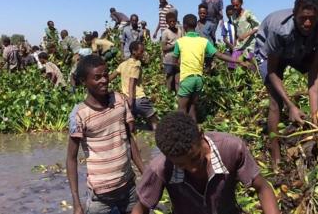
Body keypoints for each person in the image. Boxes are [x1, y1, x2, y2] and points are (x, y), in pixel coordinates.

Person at [131, 112, 280, 214]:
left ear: (201, 135)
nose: (193, 169)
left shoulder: (232, 148)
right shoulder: (160, 168)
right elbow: (141, 208)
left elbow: (262, 188)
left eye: (195, 158)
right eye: (182, 165)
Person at [255, 0, 318, 170]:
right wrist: (290, 105)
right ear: (294, 13)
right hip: (271, 55)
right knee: (276, 102)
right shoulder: (278, 29)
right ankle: (275, 153)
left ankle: (314, 119)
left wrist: (314, 112)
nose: (307, 23)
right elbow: (273, 71)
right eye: (303, 18)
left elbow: (314, 73)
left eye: (312, 19)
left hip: (299, 49)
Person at [67, 55, 144, 214]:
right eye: (97, 77)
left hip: (128, 188)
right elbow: (71, 159)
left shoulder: (119, 101)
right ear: (84, 81)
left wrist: (147, 174)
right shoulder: (79, 114)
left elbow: (130, 140)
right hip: (100, 198)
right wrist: (76, 202)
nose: (104, 80)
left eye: (105, 75)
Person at [173, 14, 249, 121]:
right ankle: (194, 133)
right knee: (192, 107)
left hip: (186, 79)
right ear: (195, 26)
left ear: (184, 26)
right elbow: (220, 55)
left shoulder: (180, 42)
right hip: (198, 80)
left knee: (181, 110)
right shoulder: (204, 41)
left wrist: (180, 71)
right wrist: (238, 61)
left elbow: (174, 62)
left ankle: (181, 135)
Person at [110, 41, 159, 130]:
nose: (142, 53)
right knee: (154, 121)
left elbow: (111, 77)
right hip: (137, 98)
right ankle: (159, 139)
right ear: (134, 51)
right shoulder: (137, 64)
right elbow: (132, 83)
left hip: (126, 98)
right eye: (141, 52)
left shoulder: (123, 64)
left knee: (132, 125)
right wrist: (131, 101)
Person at [230, 0, 260, 69]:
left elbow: (258, 27)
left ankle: (253, 79)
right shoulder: (233, 17)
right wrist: (234, 44)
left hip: (250, 44)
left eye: (237, 5)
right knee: (232, 64)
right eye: (233, 5)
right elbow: (236, 31)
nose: (235, 7)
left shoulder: (247, 14)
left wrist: (245, 35)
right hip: (239, 45)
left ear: (241, 3)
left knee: (251, 65)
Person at [161, 12, 183, 93]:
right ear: (167, 22)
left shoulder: (180, 31)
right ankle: (168, 97)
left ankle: (178, 98)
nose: (172, 23)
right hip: (169, 60)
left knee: (178, 79)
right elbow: (164, 48)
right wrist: (175, 45)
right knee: (170, 79)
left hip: (178, 60)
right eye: (170, 22)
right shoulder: (165, 32)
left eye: (174, 21)